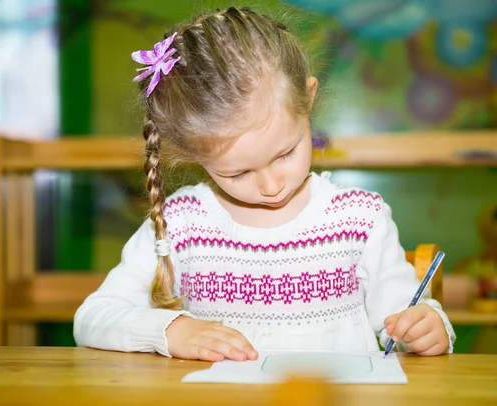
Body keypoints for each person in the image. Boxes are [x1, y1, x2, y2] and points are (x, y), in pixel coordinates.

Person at [73, 6, 455, 362]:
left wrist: (425, 326)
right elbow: (93, 317)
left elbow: (405, 318)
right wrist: (171, 331)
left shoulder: (359, 218)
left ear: (307, 98)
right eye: (238, 173)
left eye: (286, 153)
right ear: (191, 153)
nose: (272, 185)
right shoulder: (183, 224)